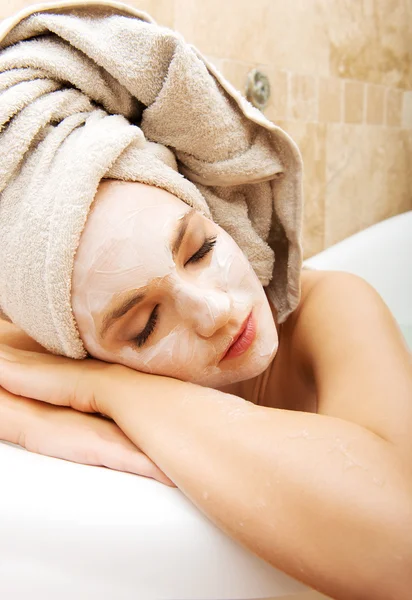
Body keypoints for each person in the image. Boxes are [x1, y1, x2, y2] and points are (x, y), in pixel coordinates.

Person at [0, 179, 411, 600]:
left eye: (200, 250)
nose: (213, 310)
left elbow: (402, 547)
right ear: (80, 352)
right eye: (146, 327)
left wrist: (108, 388)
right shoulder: (61, 333)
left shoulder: (334, 304)